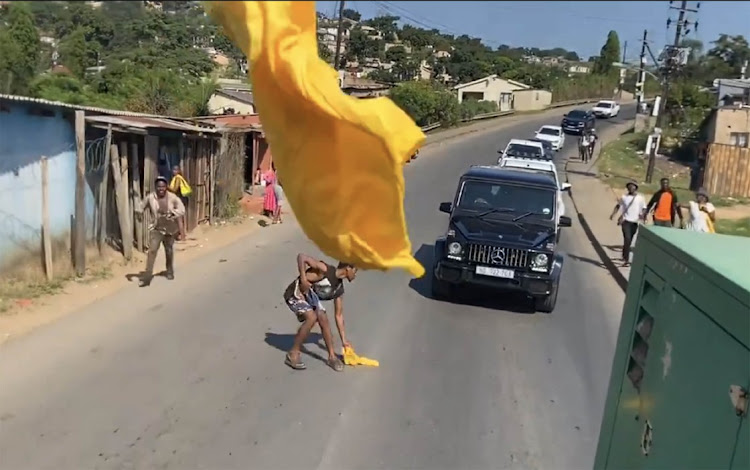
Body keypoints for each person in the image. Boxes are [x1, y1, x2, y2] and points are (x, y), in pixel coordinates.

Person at [282, 254, 358, 372]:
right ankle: (293, 353)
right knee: (312, 317)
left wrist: (344, 341)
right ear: (348, 269)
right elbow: (302, 257)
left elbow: (339, 315)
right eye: (355, 270)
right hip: (295, 293)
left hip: (309, 296)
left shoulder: (339, 289)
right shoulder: (325, 270)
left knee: (323, 318)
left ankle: (331, 357)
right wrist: (303, 278)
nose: (356, 274)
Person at [138, 176, 185, 287]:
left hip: (169, 227)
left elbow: (182, 209)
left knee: (168, 250)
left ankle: (169, 271)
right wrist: (138, 213)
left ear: (166, 187)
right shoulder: (151, 198)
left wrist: (173, 213)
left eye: (163, 186)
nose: (161, 189)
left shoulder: (173, 197)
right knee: (152, 251)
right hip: (156, 228)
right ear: (155, 187)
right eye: (159, 187)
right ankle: (148, 276)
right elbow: (141, 206)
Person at [610, 180, 646, 266]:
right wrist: (613, 214)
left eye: (633, 186)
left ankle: (624, 254)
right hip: (625, 221)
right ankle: (626, 259)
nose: (631, 188)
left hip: (634, 222)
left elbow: (644, 208)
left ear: (636, 188)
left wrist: (642, 215)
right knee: (627, 238)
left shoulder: (640, 198)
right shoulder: (624, 197)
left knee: (629, 241)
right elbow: (618, 205)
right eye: (629, 186)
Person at [168, 165, 191, 240]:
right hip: (179, 199)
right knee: (179, 219)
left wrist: (167, 187)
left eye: (175, 170)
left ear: (178, 171)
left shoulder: (177, 178)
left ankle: (183, 237)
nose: (174, 171)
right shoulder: (176, 178)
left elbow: (175, 189)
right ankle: (181, 235)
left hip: (179, 200)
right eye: (173, 170)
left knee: (179, 219)